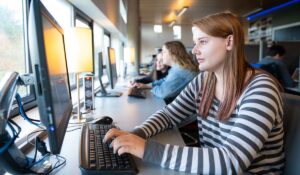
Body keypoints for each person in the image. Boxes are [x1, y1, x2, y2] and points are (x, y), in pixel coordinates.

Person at [104, 12, 284, 174]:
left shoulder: (260, 89)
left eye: (203, 42)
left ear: (229, 42)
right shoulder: (205, 80)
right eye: (195, 42)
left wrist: (145, 149)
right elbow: (169, 115)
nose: (195, 50)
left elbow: (231, 161)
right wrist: (136, 134)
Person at [132, 41, 199, 99]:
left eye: (164, 52)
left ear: (173, 54)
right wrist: (147, 85)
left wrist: (151, 89)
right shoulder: (178, 68)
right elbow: (164, 80)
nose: (162, 55)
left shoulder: (179, 70)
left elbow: (162, 93)